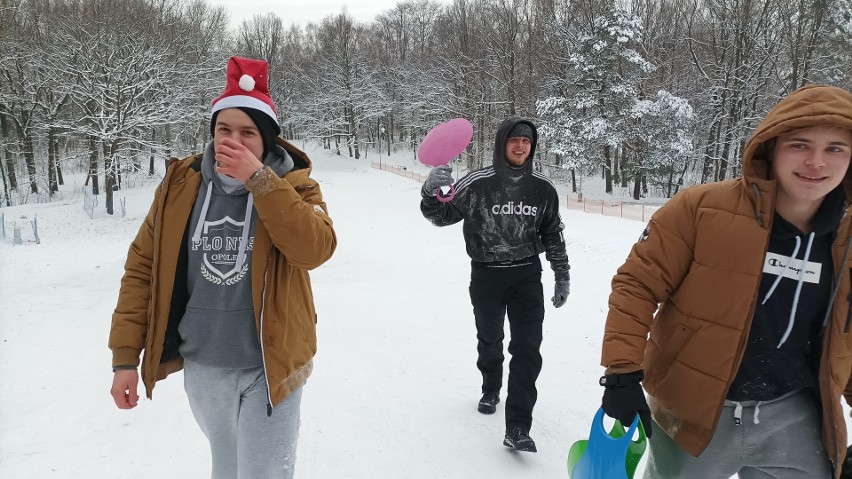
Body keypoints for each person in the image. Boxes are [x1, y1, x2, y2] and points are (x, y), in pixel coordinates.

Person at [599, 84, 852, 478]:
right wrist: (621, 372)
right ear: (772, 147)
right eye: (800, 145)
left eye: (835, 148)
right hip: (694, 412)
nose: (816, 161)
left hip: (796, 416)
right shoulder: (700, 209)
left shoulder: (847, 240)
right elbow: (637, 285)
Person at [108, 56, 337, 478]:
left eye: (248, 132)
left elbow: (316, 249)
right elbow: (142, 268)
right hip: (205, 363)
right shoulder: (180, 186)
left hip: (270, 367)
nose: (234, 140)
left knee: (264, 472)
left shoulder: (295, 184)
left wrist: (261, 181)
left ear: (266, 139)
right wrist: (125, 358)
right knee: (227, 467)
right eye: (224, 129)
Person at [420, 117, 571, 452]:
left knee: (528, 349)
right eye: (514, 140)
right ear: (502, 142)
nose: (520, 146)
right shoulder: (476, 183)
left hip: (527, 275)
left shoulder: (542, 188)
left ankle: (518, 427)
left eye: (527, 142)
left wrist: (562, 273)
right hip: (487, 275)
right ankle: (491, 385)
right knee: (491, 339)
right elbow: (439, 217)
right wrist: (431, 190)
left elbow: (553, 234)